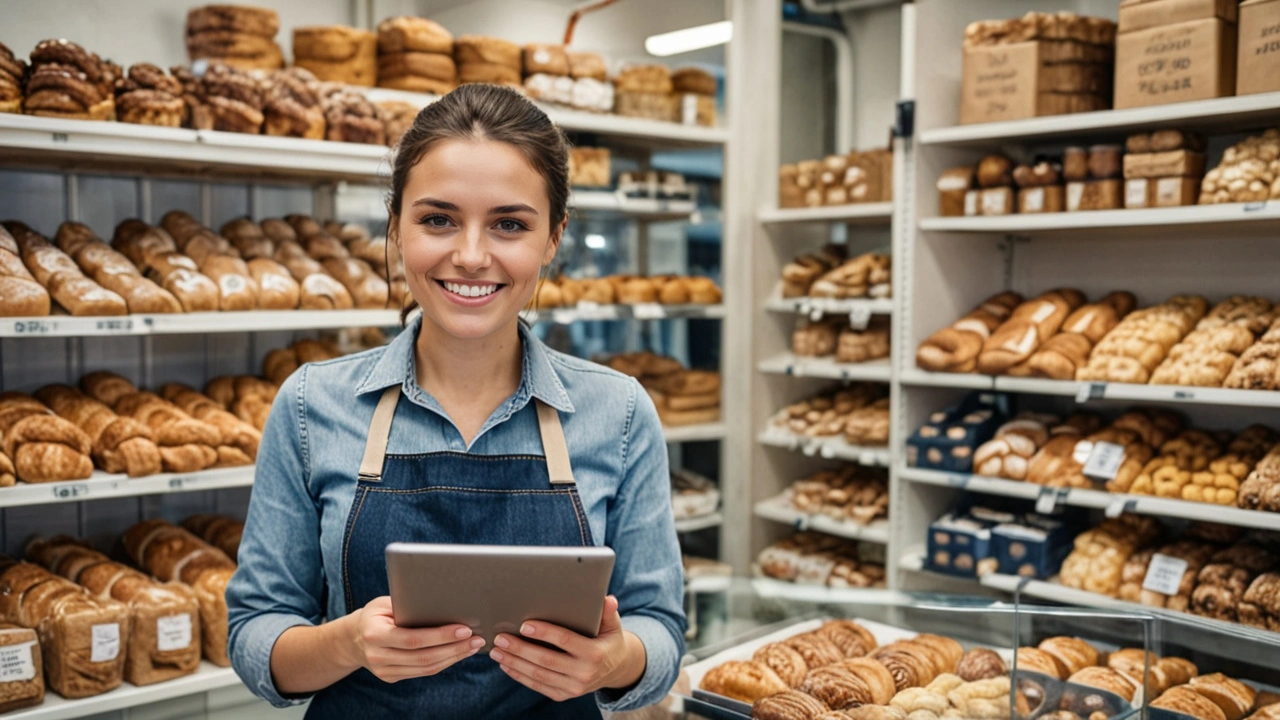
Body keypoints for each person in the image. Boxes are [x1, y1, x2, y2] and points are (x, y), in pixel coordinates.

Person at [226, 83, 686, 719]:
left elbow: (660, 628)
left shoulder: (620, 413)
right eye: (438, 219)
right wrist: (349, 643)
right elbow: (255, 632)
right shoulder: (311, 405)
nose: (471, 256)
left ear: (553, 238)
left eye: (509, 224)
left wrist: (616, 660)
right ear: (396, 226)